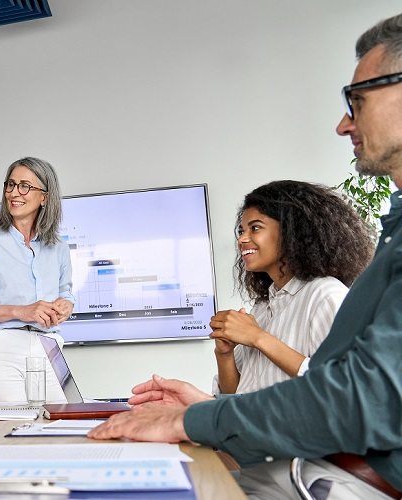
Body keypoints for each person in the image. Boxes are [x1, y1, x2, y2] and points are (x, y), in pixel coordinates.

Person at [89, 13, 402, 499]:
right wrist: (200, 403)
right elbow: (326, 385)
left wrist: (192, 417)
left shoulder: (325, 293)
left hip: (337, 475)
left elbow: (358, 401)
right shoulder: (392, 235)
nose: (344, 123)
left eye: (357, 101)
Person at [211, 180, 374, 396]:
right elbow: (234, 395)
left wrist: (258, 337)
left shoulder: (326, 296)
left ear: (292, 232)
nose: (242, 239)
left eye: (255, 228)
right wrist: (224, 354)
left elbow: (345, 383)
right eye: (242, 230)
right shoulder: (262, 307)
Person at [0, 157, 75, 402]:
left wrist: (65, 305)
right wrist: (21, 310)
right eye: (10, 184)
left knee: (59, 425)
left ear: (45, 197)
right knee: (7, 428)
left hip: (47, 346)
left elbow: (66, 293)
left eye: (25, 186)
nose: (14, 193)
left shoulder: (59, 247)